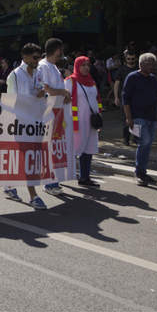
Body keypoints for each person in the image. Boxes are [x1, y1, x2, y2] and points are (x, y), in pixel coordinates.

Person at [2, 43, 48, 209]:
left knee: (25, 157)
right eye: (35, 58)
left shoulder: (38, 73)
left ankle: (8, 185)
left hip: (35, 123)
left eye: (39, 57)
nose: (38, 61)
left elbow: (42, 94)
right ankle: (33, 195)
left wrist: (43, 94)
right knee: (28, 157)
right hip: (21, 124)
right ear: (25, 57)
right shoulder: (14, 75)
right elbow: (12, 102)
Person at [122, 53, 157, 186]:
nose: (152, 66)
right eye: (149, 63)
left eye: (153, 63)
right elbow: (125, 99)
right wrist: (129, 118)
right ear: (141, 64)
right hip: (137, 116)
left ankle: (143, 171)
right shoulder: (132, 77)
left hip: (151, 116)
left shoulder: (153, 79)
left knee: (148, 144)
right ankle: (139, 172)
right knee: (144, 142)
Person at [38, 38, 72, 196]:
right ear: (55, 50)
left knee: (56, 147)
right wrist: (62, 93)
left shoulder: (54, 67)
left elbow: (57, 89)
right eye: (60, 50)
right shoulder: (43, 66)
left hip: (58, 112)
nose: (62, 54)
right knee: (48, 147)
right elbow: (45, 88)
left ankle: (54, 180)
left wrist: (65, 95)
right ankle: (48, 183)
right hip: (48, 112)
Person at [66, 56, 102, 188]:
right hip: (76, 123)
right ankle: (57, 177)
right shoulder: (70, 81)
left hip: (91, 122)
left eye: (88, 65)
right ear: (77, 66)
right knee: (71, 150)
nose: (86, 67)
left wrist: (99, 116)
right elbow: (63, 100)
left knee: (88, 149)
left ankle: (84, 177)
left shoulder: (92, 81)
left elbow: (97, 100)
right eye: (83, 65)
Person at [114, 50, 139, 145]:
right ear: (126, 59)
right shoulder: (121, 69)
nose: (130, 60)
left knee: (137, 119)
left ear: (135, 59)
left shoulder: (138, 69)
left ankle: (136, 138)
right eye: (128, 59)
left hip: (136, 98)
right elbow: (117, 83)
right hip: (125, 98)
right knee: (126, 119)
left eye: (132, 59)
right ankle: (126, 138)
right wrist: (116, 97)